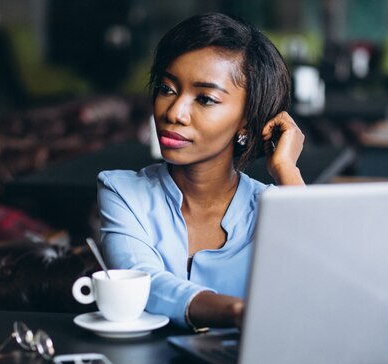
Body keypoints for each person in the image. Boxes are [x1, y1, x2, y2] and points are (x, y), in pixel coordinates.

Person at [97, 12, 305, 331]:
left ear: (246, 122)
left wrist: (287, 171)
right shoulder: (122, 192)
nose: (174, 112)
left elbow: (325, 285)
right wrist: (238, 311)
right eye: (167, 89)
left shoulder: (276, 206)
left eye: (205, 99)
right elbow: (142, 282)